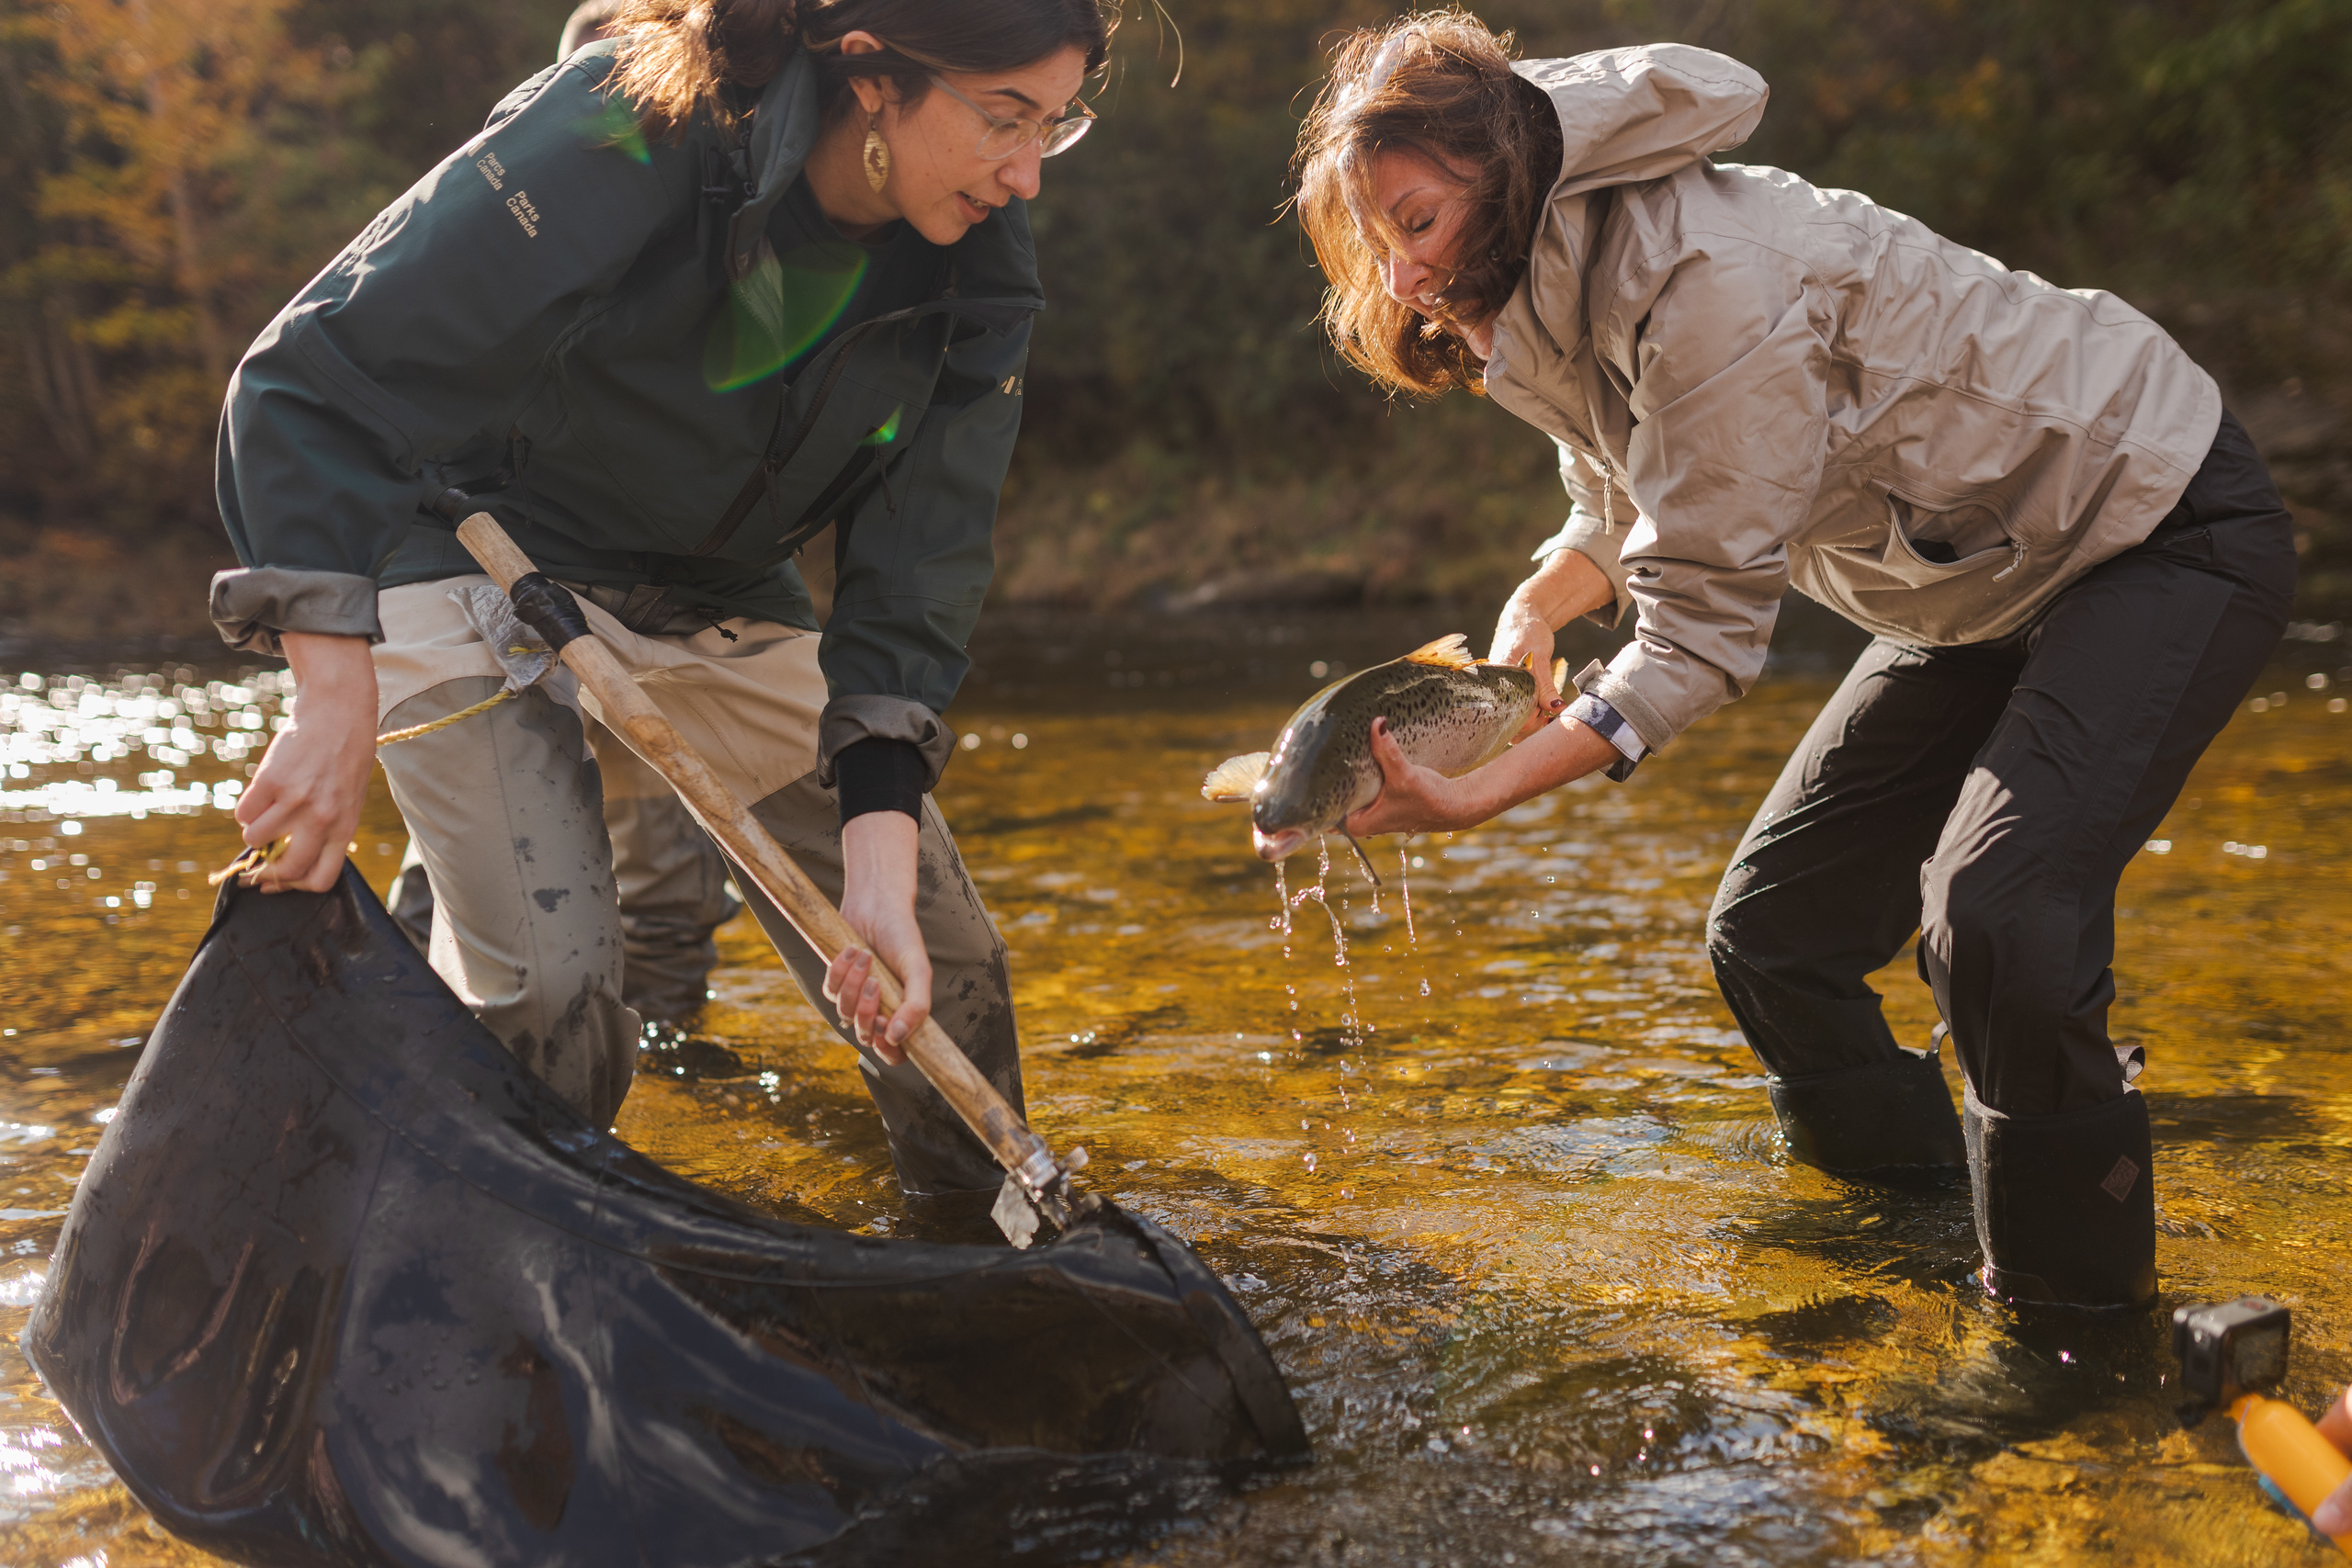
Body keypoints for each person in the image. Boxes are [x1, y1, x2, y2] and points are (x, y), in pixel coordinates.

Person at [1294, 14, 2294, 1310]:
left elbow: (1700, 635)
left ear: (1505, 167)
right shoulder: (1550, 280)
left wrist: (1476, 793)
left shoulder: (1710, 279)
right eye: (1377, 244)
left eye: (1416, 224)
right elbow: (1629, 495)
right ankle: (1929, 1236)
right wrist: (1550, 589)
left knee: (1996, 914)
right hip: (1976, 580)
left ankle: (2070, 1327)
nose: (1407, 279)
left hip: (2156, 521)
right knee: (1773, 937)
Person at [211, 0, 1111, 1224]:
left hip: (723, 587)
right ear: (872, 76)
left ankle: (971, 1257)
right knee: (555, 995)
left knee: (941, 968)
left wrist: (879, 854)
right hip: (470, 542)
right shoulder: (631, 121)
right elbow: (311, 376)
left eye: (1055, 128)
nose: (1028, 175)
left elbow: (919, 558)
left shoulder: (982, 261)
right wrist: (332, 691)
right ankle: (497, 1263)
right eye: (1006, 118)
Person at [384, 0, 743, 1028]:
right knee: (469, 865)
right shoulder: (505, 225)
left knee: (669, 877)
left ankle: (674, 1067)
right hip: (489, 588)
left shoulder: (711, 234)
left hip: (651, 595)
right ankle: (427, 1037)